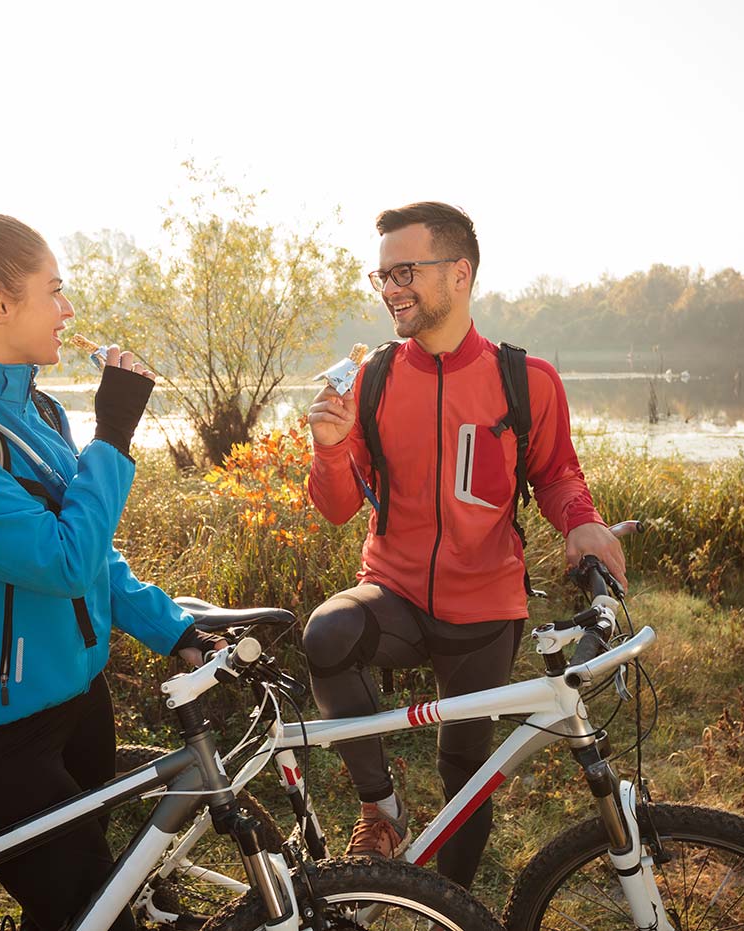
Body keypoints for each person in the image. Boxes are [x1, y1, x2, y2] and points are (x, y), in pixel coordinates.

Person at [0, 213, 215, 931]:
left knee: (71, 912)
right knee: (96, 915)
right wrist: (116, 433)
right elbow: (61, 561)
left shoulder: (40, 410)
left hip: (79, 704)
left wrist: (173, 627)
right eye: (53, 291)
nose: (67, 311)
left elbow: (92, 558)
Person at [303, 202, 628, 889]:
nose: (391, 287)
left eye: (405, 271)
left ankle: (449, 903)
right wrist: (327, 450)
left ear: (459, 273)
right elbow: (336, 508)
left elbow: (558, 474)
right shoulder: (374, 379)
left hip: (484, 608)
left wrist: (584, 523)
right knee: (328, 634)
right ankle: (380, 806)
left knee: (467, 779)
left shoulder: (525, 379)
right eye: (382, 274)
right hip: (391, 591)